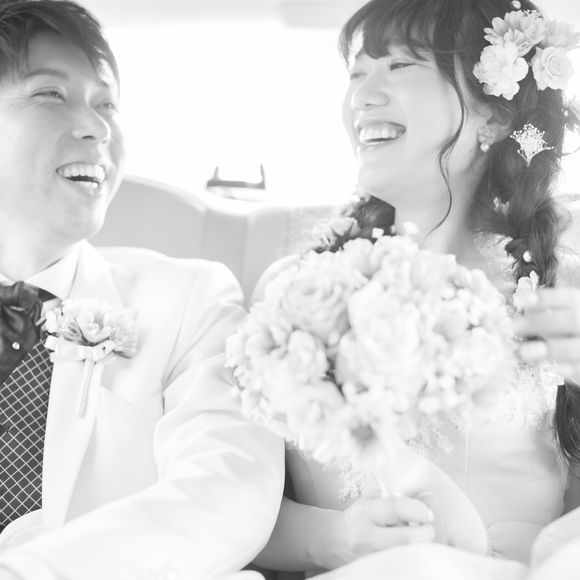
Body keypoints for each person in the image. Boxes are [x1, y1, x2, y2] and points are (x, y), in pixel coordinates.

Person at [250, 0, 580, 575]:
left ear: (493, 116)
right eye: (357, 72)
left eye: (400, 65)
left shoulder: (559, 287)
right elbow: (229, 509)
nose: (362, 95)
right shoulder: (294, 291)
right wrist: (336, 539)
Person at [0, 1, 284, 579]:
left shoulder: (190, 301)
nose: (98, 127)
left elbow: (225, 491)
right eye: (50, 94)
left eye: (107, 104)